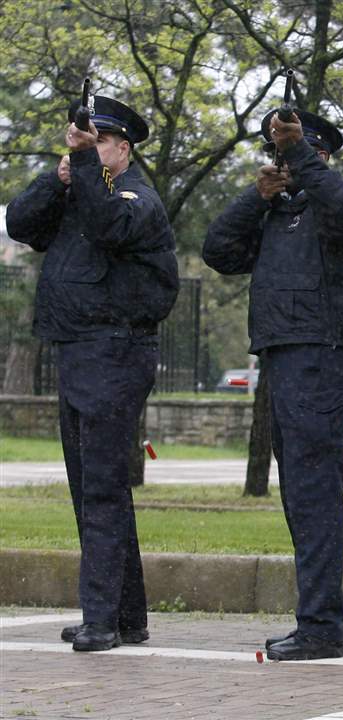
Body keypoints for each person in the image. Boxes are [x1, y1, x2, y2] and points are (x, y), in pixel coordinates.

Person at [5, 95, 179, 651]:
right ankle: (127, 616)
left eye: (97, 141)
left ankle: (101, 619)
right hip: (78, 347)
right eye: (81, 139)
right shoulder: (78, 189)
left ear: (122, 149)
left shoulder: (136, 197)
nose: (84, 147)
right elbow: (18, 222)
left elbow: (110, 228)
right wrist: (58, 175)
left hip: (116, 349)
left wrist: (81, 170)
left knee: (103, 486)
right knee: (90, 487)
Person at [203, 108, 343, 661]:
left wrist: (301, 157)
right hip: (285, 352)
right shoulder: (275, 212)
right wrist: (257, 196)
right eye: (277, 155)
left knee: (314, 488)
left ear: (317, 155)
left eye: (290, 153)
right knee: (302, 491)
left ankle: (322, 623)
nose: (281, 164)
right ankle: (327, 620)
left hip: (322, 353)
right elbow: (218, 252)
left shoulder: (335, 202)